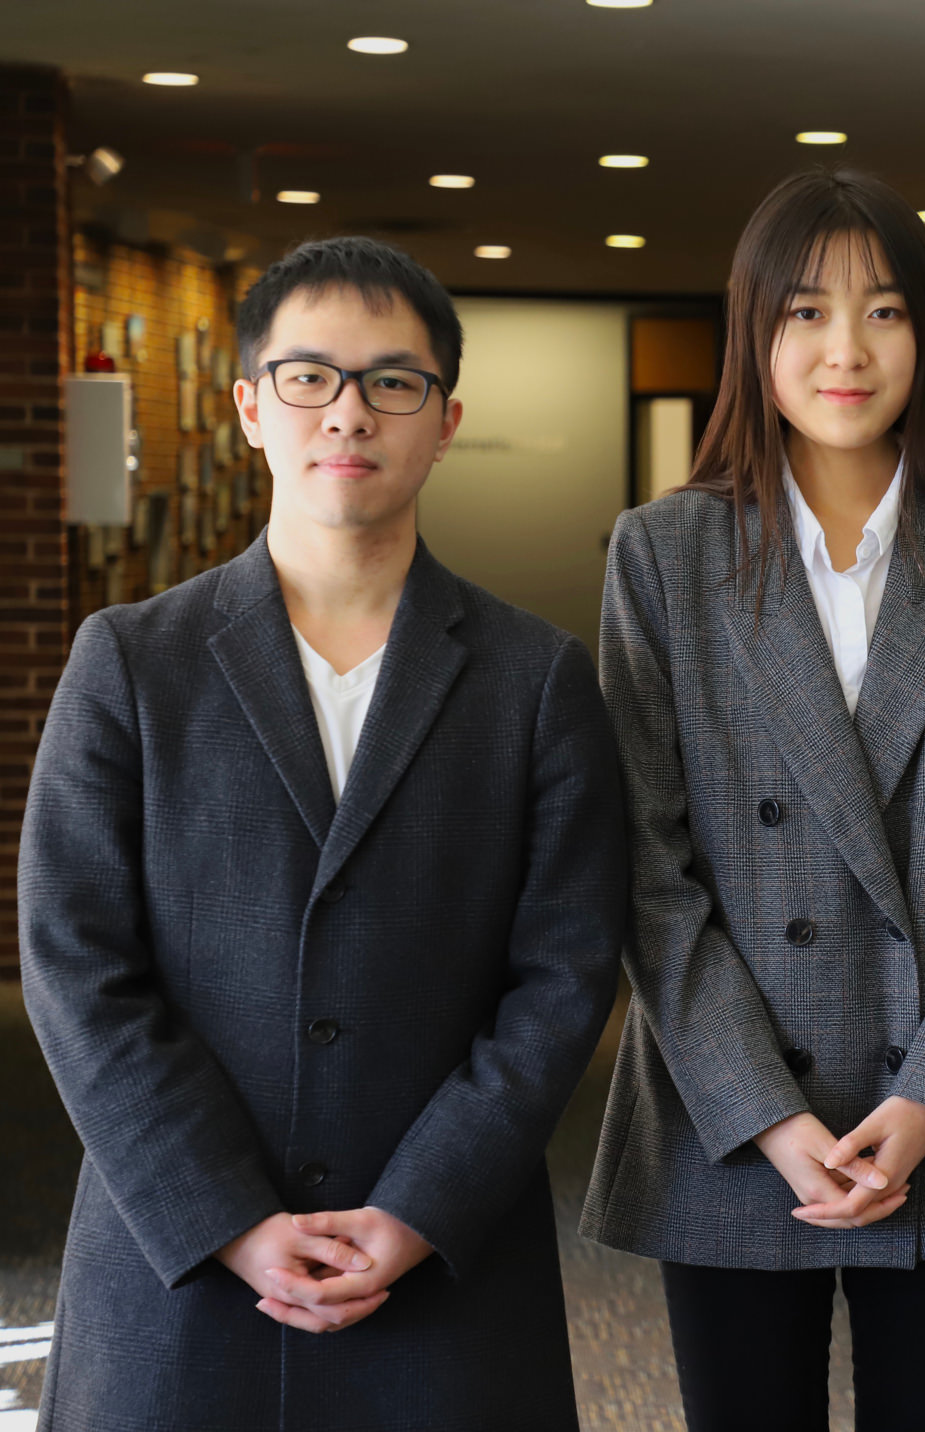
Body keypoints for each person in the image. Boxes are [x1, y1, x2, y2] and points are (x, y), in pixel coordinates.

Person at [18, 236, 628, 1430]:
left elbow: (562, 978)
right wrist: (227, 1219)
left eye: (392, 382)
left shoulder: (534, 679)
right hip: (180, 1270)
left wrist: (418, 1207)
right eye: (310, 377)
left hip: (443, 1264)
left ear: (444, 419)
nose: (348, 412)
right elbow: (76, 966)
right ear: (251, 406)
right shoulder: (132, 663)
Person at [578, 169, 925, 1432]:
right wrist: (763, 1110)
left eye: (884, 313)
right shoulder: (665, 552)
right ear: (753, 339)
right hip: (734, 1107)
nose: (845, 350)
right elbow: (644, 860)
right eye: (804, 312)